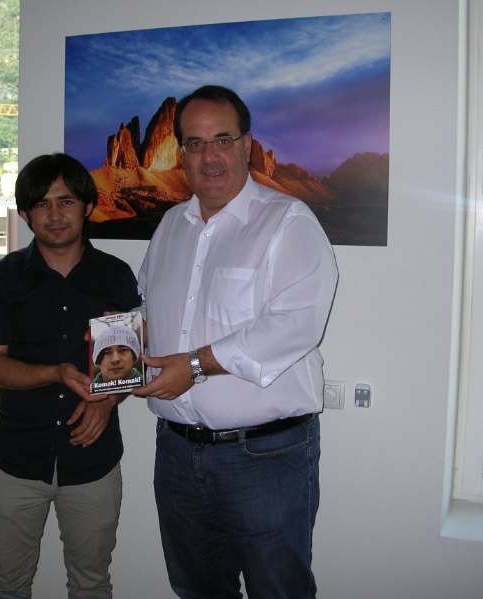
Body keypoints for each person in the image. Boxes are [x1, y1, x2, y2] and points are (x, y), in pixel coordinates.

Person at [133, 85, 339, 598]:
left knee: (278, 590)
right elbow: (148, 309)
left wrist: (194, 365)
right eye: (195, 143)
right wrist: (116, 347)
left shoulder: (288, 222)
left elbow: (295, 324)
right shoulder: (170, 225)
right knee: (197, 590)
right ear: (180, 152)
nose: (209, 157)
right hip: (177, 455)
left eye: (222, 140)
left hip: (265, 457)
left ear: (247, 145)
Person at [0, 153, 141, 599]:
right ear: (25, 214)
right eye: (41, 204)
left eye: (66, 201)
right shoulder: (2, 279)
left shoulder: (116, 276)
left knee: (91, 584)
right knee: (7, 585)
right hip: (16, 458)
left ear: (88, 206)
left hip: (92, 461)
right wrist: (56, 372)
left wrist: (106, 401)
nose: (54, 214)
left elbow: (127, 362)